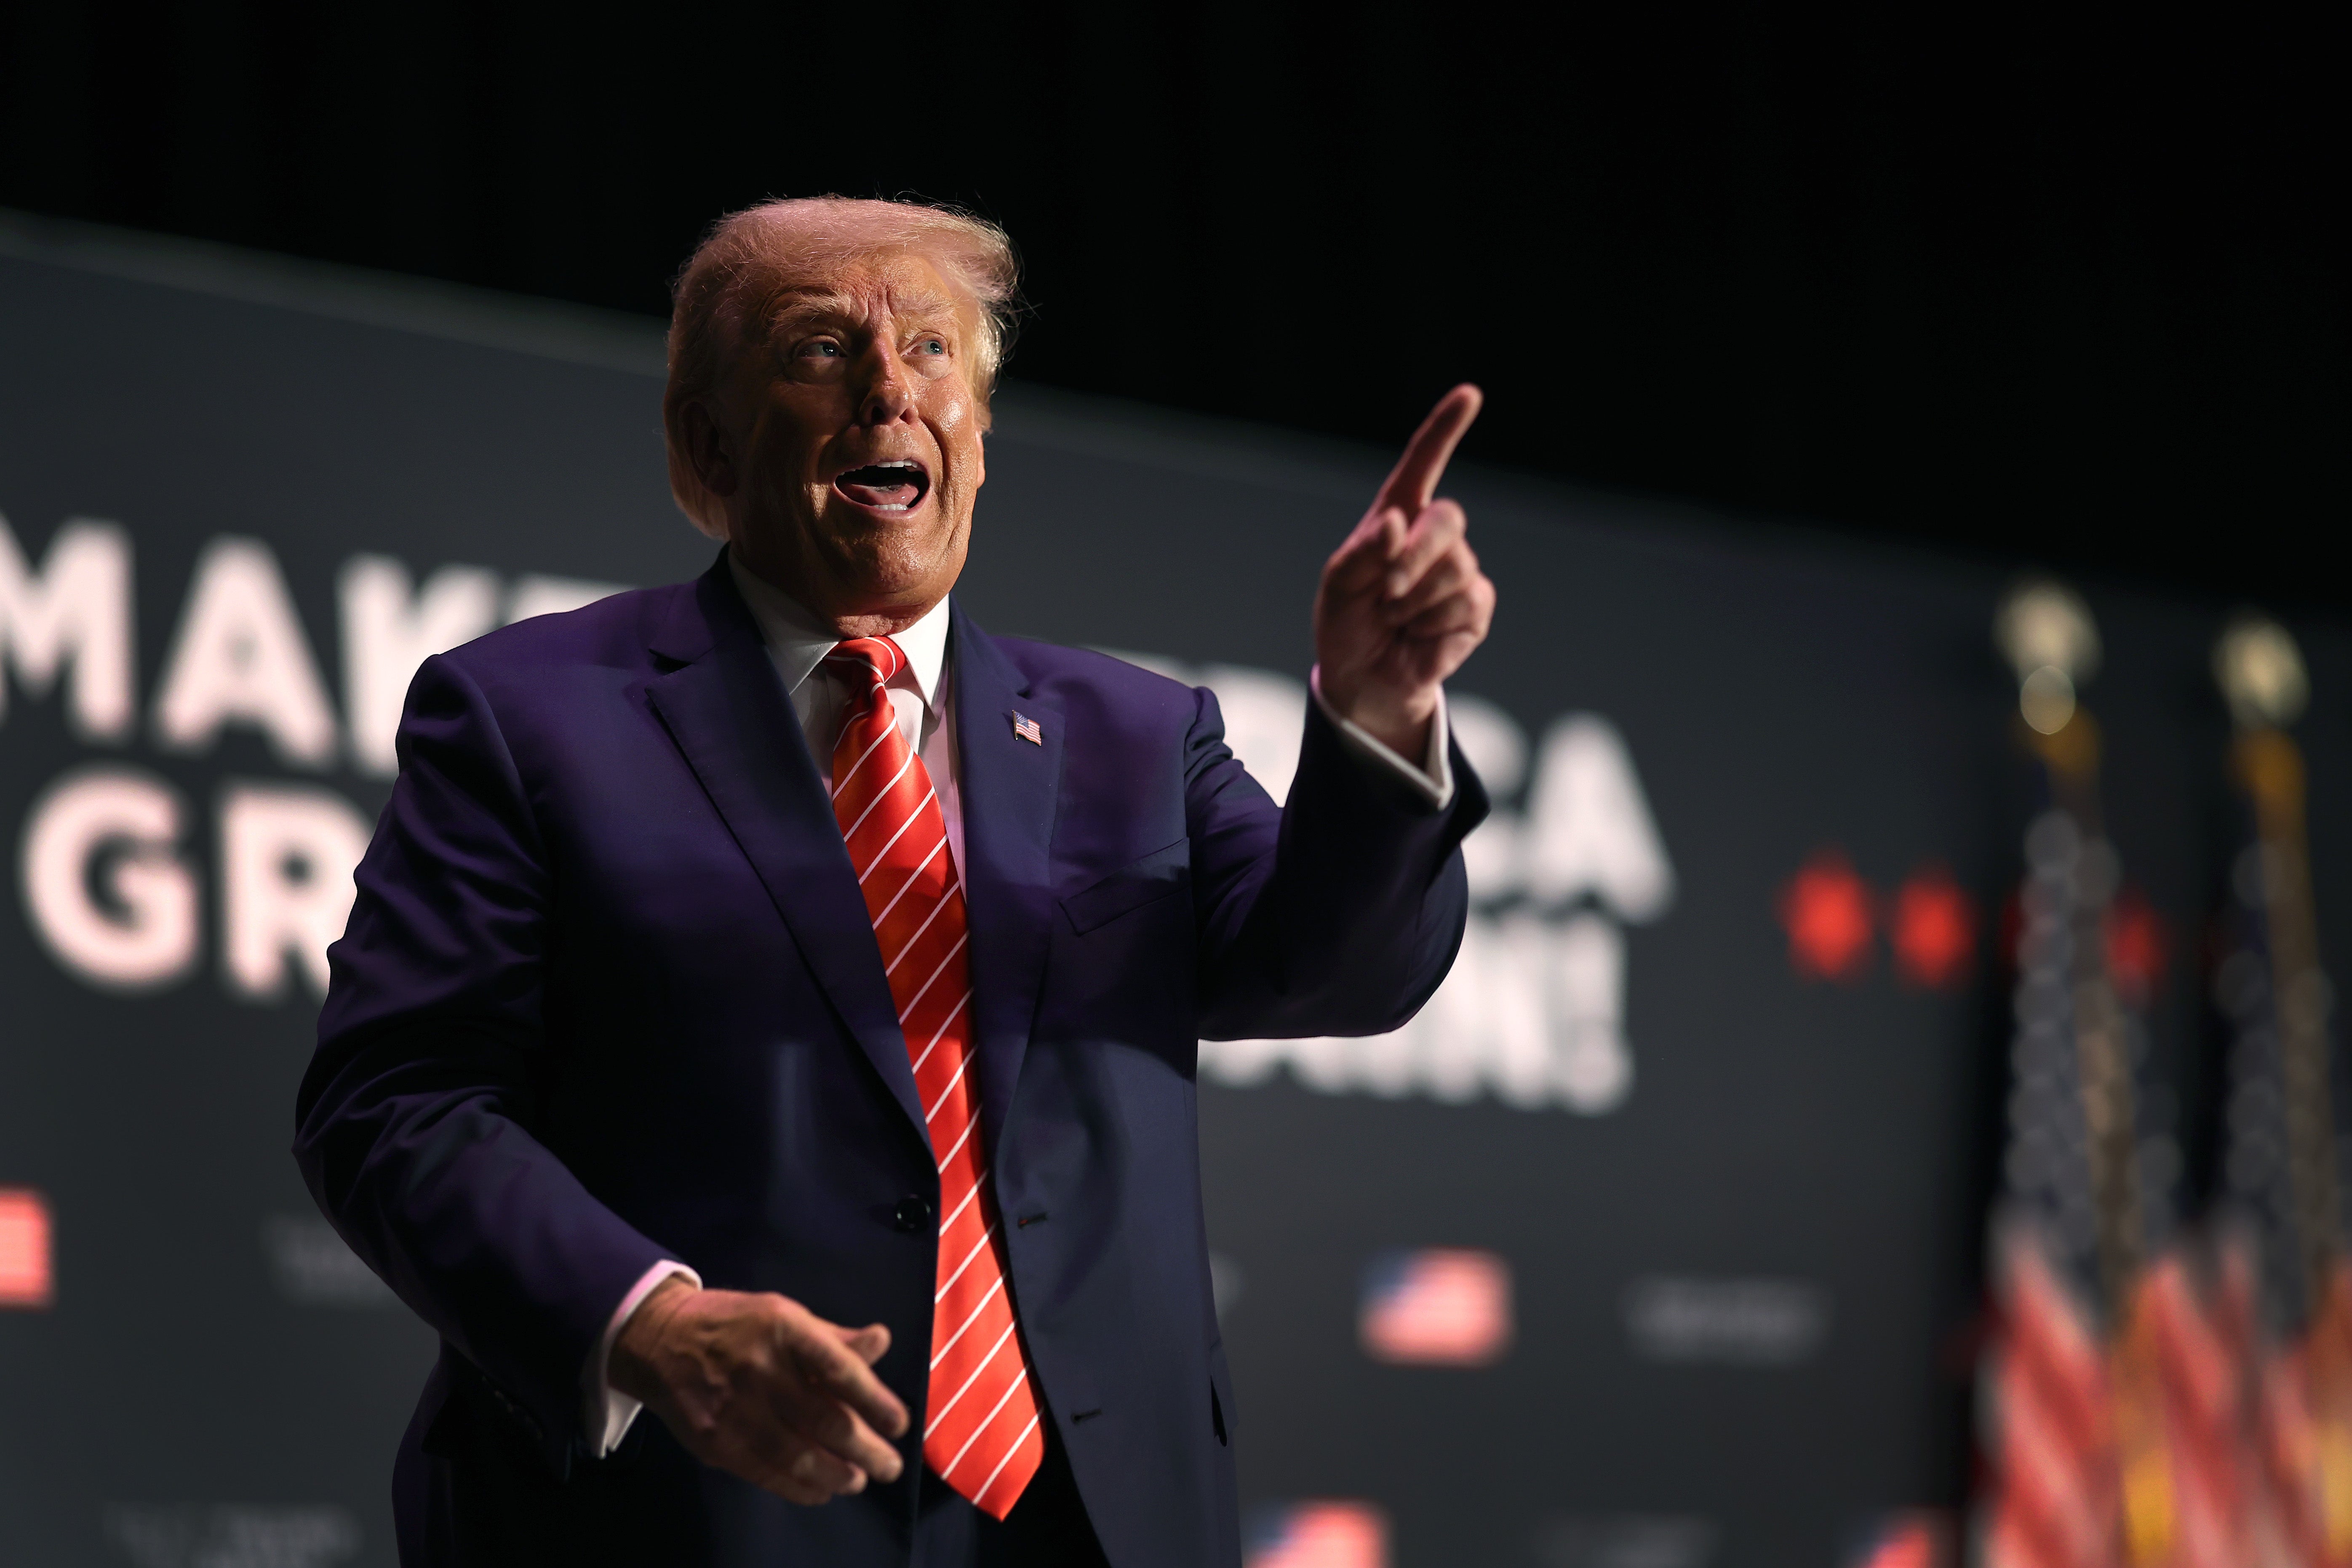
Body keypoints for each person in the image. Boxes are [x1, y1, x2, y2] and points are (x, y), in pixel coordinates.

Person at [295, 195, 1494, 1568]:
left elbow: (1341, 968)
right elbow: (393, 1101)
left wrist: (1379, 715)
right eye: (818, 350)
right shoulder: (526, 714)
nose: (889, 387)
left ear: (979, 441)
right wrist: (652, 1323)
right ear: (708, 445)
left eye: (933, 350)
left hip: (1093, 1517)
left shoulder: (1138, 736)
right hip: (687, 1515)